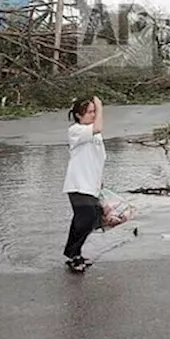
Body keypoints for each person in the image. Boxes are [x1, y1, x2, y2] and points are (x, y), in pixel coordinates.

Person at [63, 95, 105, 273]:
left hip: (90, 185)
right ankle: (73, 255)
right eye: (89, 112)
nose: (93, 115)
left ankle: (75, 252)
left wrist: (100, 180)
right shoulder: (76, 130)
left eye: (94, 112)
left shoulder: (95, 134)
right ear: (79, 115)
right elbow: (98, 127)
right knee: (85, 219)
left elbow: (98, 158)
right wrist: (100, 106)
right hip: (78, 184)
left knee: (92, 218)